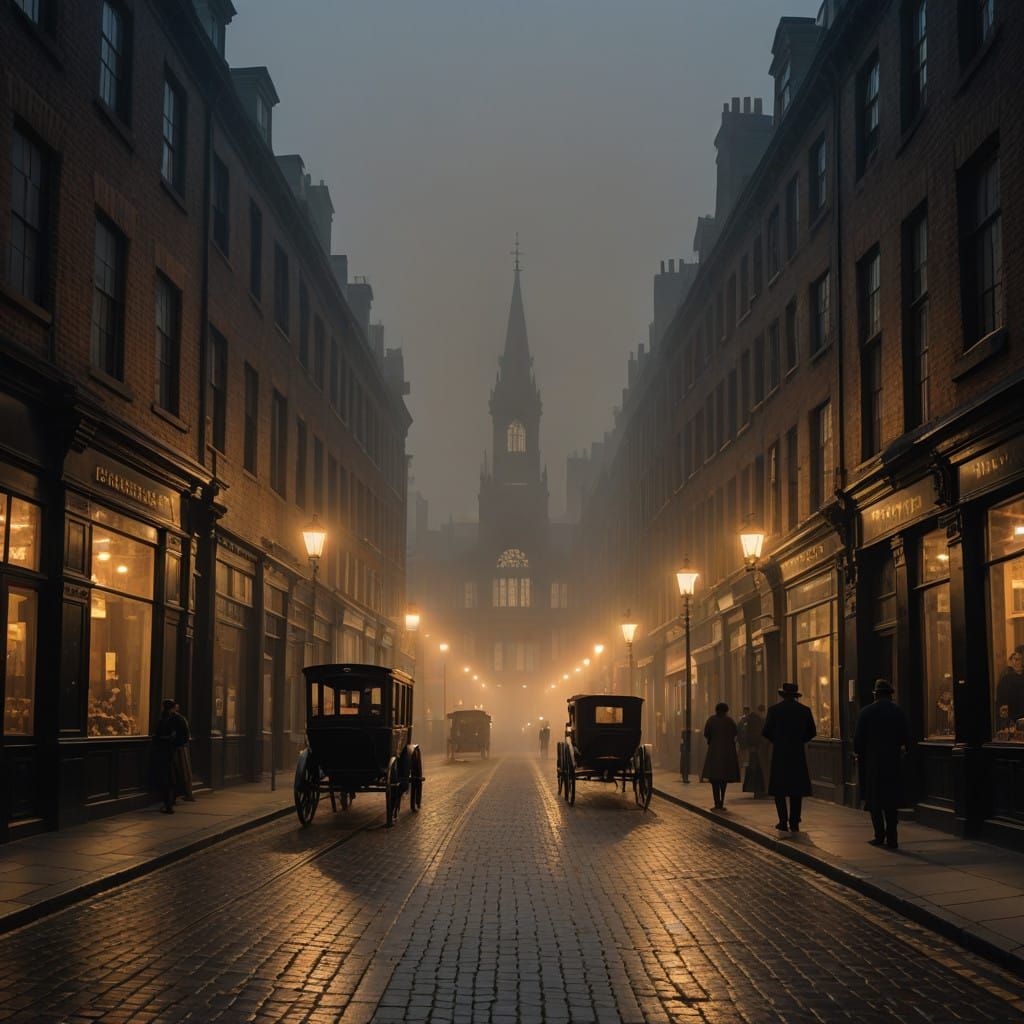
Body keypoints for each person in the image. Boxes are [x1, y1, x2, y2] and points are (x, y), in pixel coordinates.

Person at [854, 678, 910, 850]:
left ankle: (879, 835)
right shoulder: (898, 711)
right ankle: (892, 838)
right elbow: (906, 737)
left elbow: (858, 741)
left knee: (875, 800)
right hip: (893, 762)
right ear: (890, 695)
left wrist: (861, 754)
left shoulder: (866, 712)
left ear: (876, 694)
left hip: (873, 763)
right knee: (891, 802)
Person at [762, 682, 816, 832]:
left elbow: (766, 731)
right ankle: (794, 821)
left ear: (783, 695)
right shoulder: (804, 710)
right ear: (795, 695)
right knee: (796, 790)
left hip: (780, 753)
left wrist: (777, 740)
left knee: (779, 789)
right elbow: (812, 731)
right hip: (797, 753)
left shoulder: (774, 710)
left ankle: (782, 820)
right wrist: (800, 740)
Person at [702, 702, 740, 810]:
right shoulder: (730, 721)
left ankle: (716, 803)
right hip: (727, 753)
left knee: (714, 780)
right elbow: (735, 733)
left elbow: (706, 734)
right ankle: (721, 802)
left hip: (714, 752)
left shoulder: (711, 720)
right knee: (724, 780)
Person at [153, 700, 179, 813]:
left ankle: (168, 803)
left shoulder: (163, 720)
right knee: (169, 778)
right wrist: (171, 738)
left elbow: (157, 736)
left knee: (166, 778)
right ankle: (169, 804)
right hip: (168, 752)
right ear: (171, 709)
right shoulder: (170, 720)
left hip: (163, 752)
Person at [739, 705, 767, 798]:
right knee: (758, 769)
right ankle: (759, 790)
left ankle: (757, 790)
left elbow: (746, 735)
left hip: (754, 748)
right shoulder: (759, 721)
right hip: (759, 748)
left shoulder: (750, 721)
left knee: (754, 769)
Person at [170, 702, 195, 802]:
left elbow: (183, 733)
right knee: (184, 771)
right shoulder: (181, 718)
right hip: (181, 746)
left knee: (180, 771)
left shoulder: (176, 718)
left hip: (178, 747)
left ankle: (184, 793)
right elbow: (186, 733)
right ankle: (187, 793)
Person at [996, 650, 1024, 724]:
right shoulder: (1006, 676)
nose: (1016, 662)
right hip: (1012, 713)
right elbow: (1001, 694)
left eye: (1019, 659)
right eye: (1014, 659)